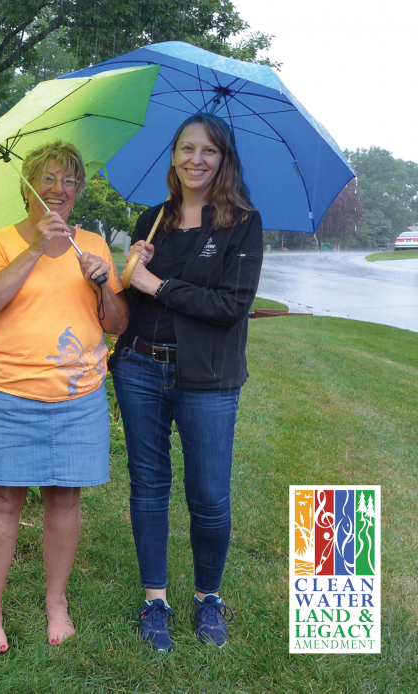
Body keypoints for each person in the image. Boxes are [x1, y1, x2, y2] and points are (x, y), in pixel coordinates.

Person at [111, 112, 263, 652]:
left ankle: (207, 598)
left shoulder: (241, 223)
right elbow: (128, 304)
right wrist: (125, 272)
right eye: (186, 148)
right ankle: (156, 600)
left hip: (209, 377)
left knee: (210, 496)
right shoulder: (151, 221)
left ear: (224, 160)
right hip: (140, 368)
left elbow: (231, 305)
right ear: (172, 155)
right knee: (148, 486)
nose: (196, 159)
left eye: (209, 151)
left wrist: (158, 284)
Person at [0, 140, 128, 653]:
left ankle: (55, 603)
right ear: (28, 188)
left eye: (69, 181)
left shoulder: (95, 247)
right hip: (10, 393)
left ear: (77, 192)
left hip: (78, 395)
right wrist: (36, 248)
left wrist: (104, 285)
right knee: (2, 500)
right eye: (48, 180)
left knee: (65, 497)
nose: (59, 190)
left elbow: (117, 324)